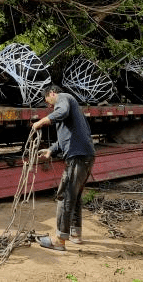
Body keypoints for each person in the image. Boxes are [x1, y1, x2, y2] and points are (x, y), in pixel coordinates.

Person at [31, 84, 96, 251]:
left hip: (78, 157)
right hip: (84, 156)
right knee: (75, 196)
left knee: (65, 196)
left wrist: (41, 122)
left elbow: (61, 112)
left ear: (52, 93)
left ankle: (59, 240)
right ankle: (75, 234)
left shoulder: (64, 98)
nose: (50, 106)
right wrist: (51, 151)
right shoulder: (72, 110)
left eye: (48, 102)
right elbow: (64, 139)